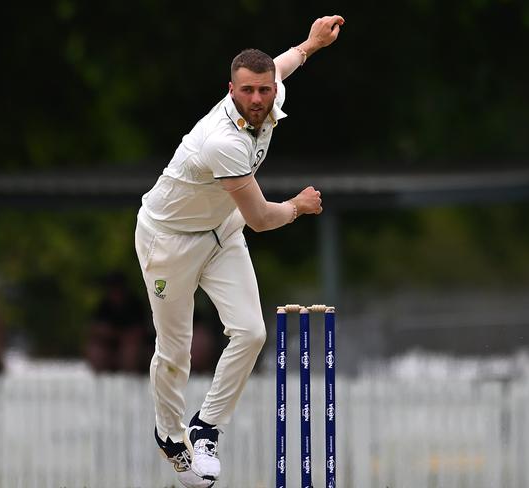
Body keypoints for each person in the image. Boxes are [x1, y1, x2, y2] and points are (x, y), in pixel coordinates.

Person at [134, 15, 345, 487]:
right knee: (175, 353)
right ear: (231, 90)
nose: (257, 99)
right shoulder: (223, 142)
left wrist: (312, 44)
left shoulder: (271, 95)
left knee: (250, 333)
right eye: (247, 91)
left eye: (264, 90)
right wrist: (299, 205)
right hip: (168, 240)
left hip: (220, 230)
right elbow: (262, 218)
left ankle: (205, 427)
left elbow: (284, 65)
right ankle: (171, 439)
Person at [84, 271, 153, 373]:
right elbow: (94, 329)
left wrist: (116, 334)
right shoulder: (104, 306)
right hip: (110, 347)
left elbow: (139, 333)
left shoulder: (135, 305)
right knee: (95, 351)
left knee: (130, 352)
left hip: (133, 348)